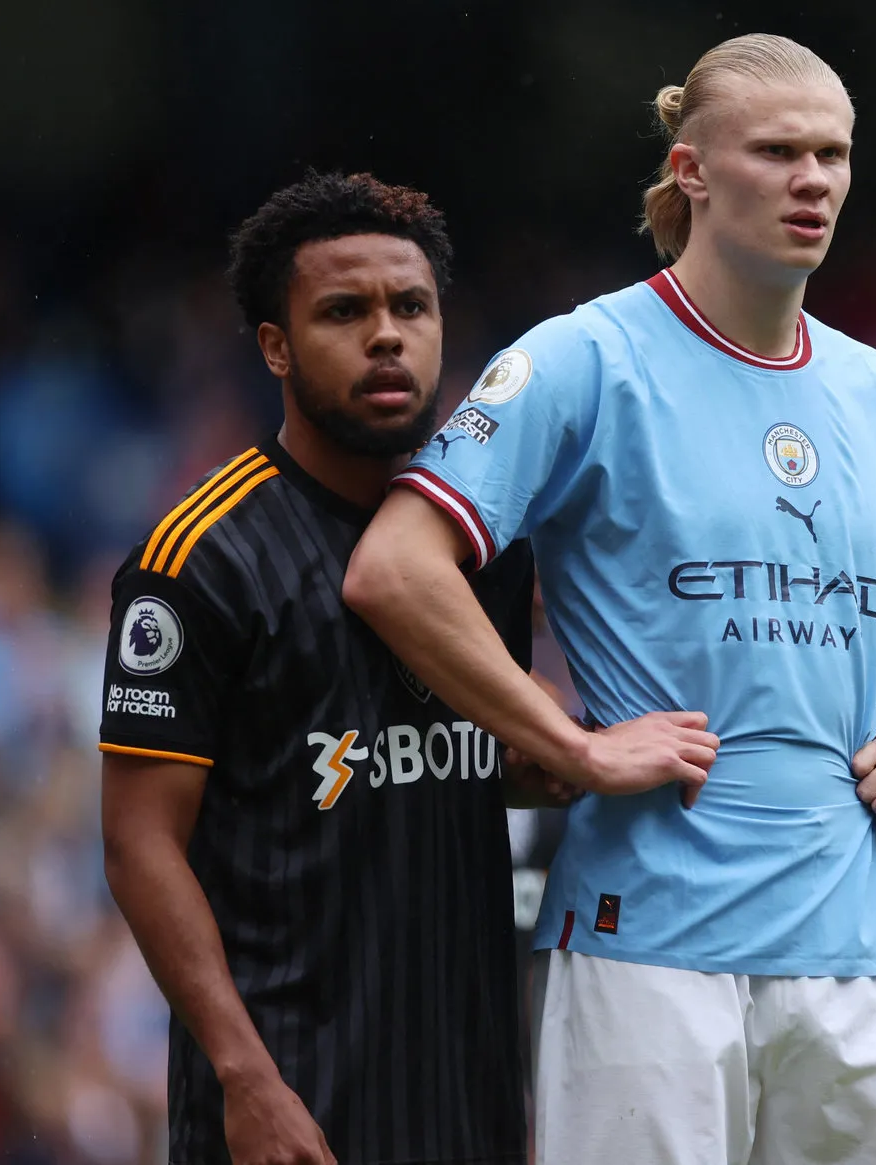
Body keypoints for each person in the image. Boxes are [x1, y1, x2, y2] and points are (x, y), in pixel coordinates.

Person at [341, 33, 876, 1165]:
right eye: (778, 152)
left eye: (834, 154)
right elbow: (396, 568)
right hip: (647, 937)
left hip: (858, 939)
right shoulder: (586, 357)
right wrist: (569, 742)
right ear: (691, 170)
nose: (813, 180)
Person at [100, 172, 554, 1165]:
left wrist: (553, 757)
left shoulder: (490, 545)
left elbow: (445, 760)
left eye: (411, 307)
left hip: (467, 1102)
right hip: (287, 1108)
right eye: (344, 311)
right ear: (275, 345)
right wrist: (244, 1077)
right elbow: (138, 846)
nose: (386, 336)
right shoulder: (197, 559)